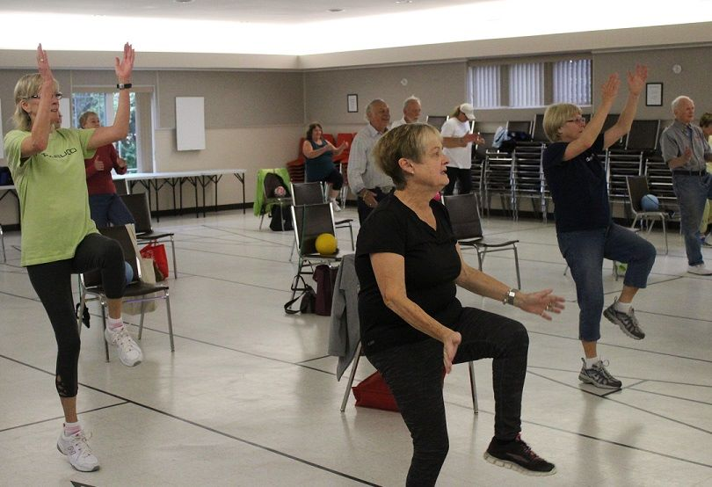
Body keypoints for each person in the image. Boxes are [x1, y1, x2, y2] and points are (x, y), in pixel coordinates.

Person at [356, 122, 563, 484]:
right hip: (399, 341)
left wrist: (518, 298)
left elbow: (463, 273)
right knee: (433, 445)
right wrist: (442, 334)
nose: (446, 159)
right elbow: (393, 297)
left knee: (512, 336)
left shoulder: (438, 211)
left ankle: (506, 441)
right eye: (435, 153)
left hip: (446, 322)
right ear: (407, 165)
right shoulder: (386, 222)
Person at [4, 43, 143, 473]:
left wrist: (124, 85)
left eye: (58, 95)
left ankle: (116, 327)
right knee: (69, 341)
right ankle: (71, 433)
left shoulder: (73, 139)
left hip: (79, 239)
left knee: (111, 249)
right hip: (44, 255)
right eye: (47, 95)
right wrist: (46, 85)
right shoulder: (16, 141)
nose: (56, 102)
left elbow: (118, 131)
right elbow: (37, 140)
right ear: (26, 105)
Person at [542, 65, 656, 390]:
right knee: (591, 298)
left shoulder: (589, 148)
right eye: (575, 119)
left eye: (583, 118)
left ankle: (622, 307)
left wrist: (633, 94)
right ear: (559, 128)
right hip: (578, 237)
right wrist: (605, 101)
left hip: (604, 229)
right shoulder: (554, 153)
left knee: (644, 253)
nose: (582, 122)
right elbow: (587, 138)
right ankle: (591, 365)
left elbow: (623, 126)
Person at [660, 97, 712, 275]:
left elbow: (706, 155)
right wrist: (684, 158)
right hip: (686, 180)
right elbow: (671, 163)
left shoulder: (696, 130)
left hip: (704, 176)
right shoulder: (669, 134)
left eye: (693, 108)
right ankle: (695, 263)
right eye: (687, 108)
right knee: (692, 224)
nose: (691, 111)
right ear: (676, 112)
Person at [80, 111, 135, 228]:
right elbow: (77, 175)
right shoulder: (80, 146)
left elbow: (119, 169)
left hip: (110, 193)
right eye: (93, 121)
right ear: (84, 125)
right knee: (100, 229)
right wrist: (93, 168)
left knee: (128, 224)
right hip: (92, 196)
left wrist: (121, 165)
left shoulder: (106, 144)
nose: (97, 124)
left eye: (98, 121)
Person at [348, 98, 393, 223]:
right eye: (381, 111)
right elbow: (354, 171)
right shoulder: (362, 139)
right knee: (373, 233)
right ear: (369, 115)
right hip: (372, 195)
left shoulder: (391, 136)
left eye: (387, 111)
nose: (386, 114)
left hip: (392, 194)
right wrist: (364, 193)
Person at [302, 122, 348, 212]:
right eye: (316, 130)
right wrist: (323, 149)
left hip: (329, 170)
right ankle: (318, 211)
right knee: (317, 195)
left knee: (339, 178)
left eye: (319, 130)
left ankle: (332, 199)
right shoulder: (307, 143)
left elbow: (336, 152)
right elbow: (309, 155)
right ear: (311, 132)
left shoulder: (325, 141)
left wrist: (342, 147)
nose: (318, 132)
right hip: (315, 172)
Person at [441, 103, 485, 195]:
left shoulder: (466, 124)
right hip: (451, 162)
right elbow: (444, 142)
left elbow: (465, 139)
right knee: (449, 188)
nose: (467, 119)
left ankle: (460, 202)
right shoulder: (450, 123)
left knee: (467, 187)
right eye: (466, 117)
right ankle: (447, 203)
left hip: (464, 162)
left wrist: (474, 141)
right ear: (461, 113)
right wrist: (461, 141)